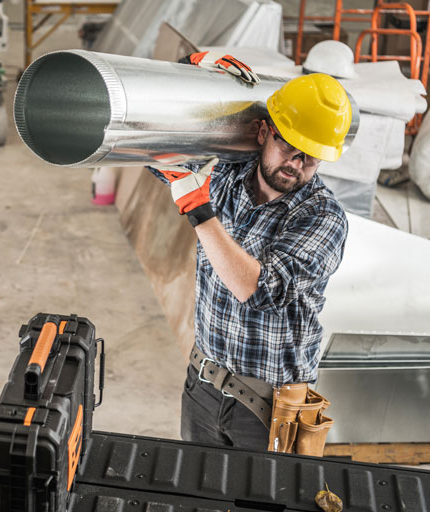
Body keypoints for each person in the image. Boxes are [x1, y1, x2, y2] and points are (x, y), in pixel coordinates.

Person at [149, 52, 352, 451]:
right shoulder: (224, 173)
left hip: (268, 410)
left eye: (313, 156)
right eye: (289, 145)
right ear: (263, 132)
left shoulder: (323, 217)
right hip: (203, 387)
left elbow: (259, 290)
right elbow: (156, 140)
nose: (298, 163)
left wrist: (200, 212)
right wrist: (190, 69)